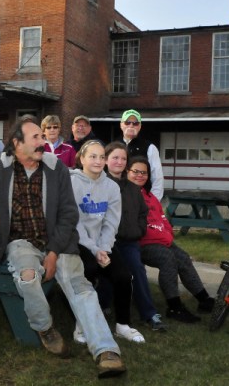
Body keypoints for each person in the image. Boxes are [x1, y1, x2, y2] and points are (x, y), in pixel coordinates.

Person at [0, 115, 126, 379]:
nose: (42, 142)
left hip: (56, 242)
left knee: (81, 289)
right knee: (27, 277)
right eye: (35, 137)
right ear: (17, 143)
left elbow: (69, 214)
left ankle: (107, 351)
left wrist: (53, 252)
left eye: (41, 136)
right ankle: (45, 327)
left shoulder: (55, 168)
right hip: (19, 242)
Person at [70, 140, 145, 345]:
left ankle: (123, 325)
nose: (98, 160)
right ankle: (81, 324)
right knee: (89, 271)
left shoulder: (111, 187)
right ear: (82, 159)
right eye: (92, 156)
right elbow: (74, 223)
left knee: (123, 276)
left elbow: (112, 221)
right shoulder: (71, 183)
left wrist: (104, 248)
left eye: (101, 157)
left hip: (102, 243)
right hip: (78, 242)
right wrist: (94, 250)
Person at [128, 156, 215, 323]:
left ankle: (204, 299)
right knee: (168, 259)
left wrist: (167, 234)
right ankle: (174, 307)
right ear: (127, 172)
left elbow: (162, 218)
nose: (140, 175)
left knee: (183, 256)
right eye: (135, 171)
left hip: (162, 241)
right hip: (143, 244)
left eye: (144, 172)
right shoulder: (126, 193)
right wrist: (157, 236)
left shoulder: (150, 196)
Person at [104, 142, 166, 332]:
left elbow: (142, 213)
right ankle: (102, 306)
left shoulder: (132, 188)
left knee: (137, 271)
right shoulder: (101, 184)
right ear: (106, 160)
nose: (119, 162)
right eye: (115, 157)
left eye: (123, 158)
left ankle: (149, 313)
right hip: (106, 241)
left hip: (129, 240)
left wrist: (138, 230)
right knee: (106, 271)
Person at [118, 109, 164, 200]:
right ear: (121, 125)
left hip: (141, 199)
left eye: (135, 123)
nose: (131, 125)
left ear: (140, 126)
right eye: (127, 122)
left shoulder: (150, 147)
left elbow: (157, 177)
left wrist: (154, 200)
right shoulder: (113, 146)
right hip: (117, 197)